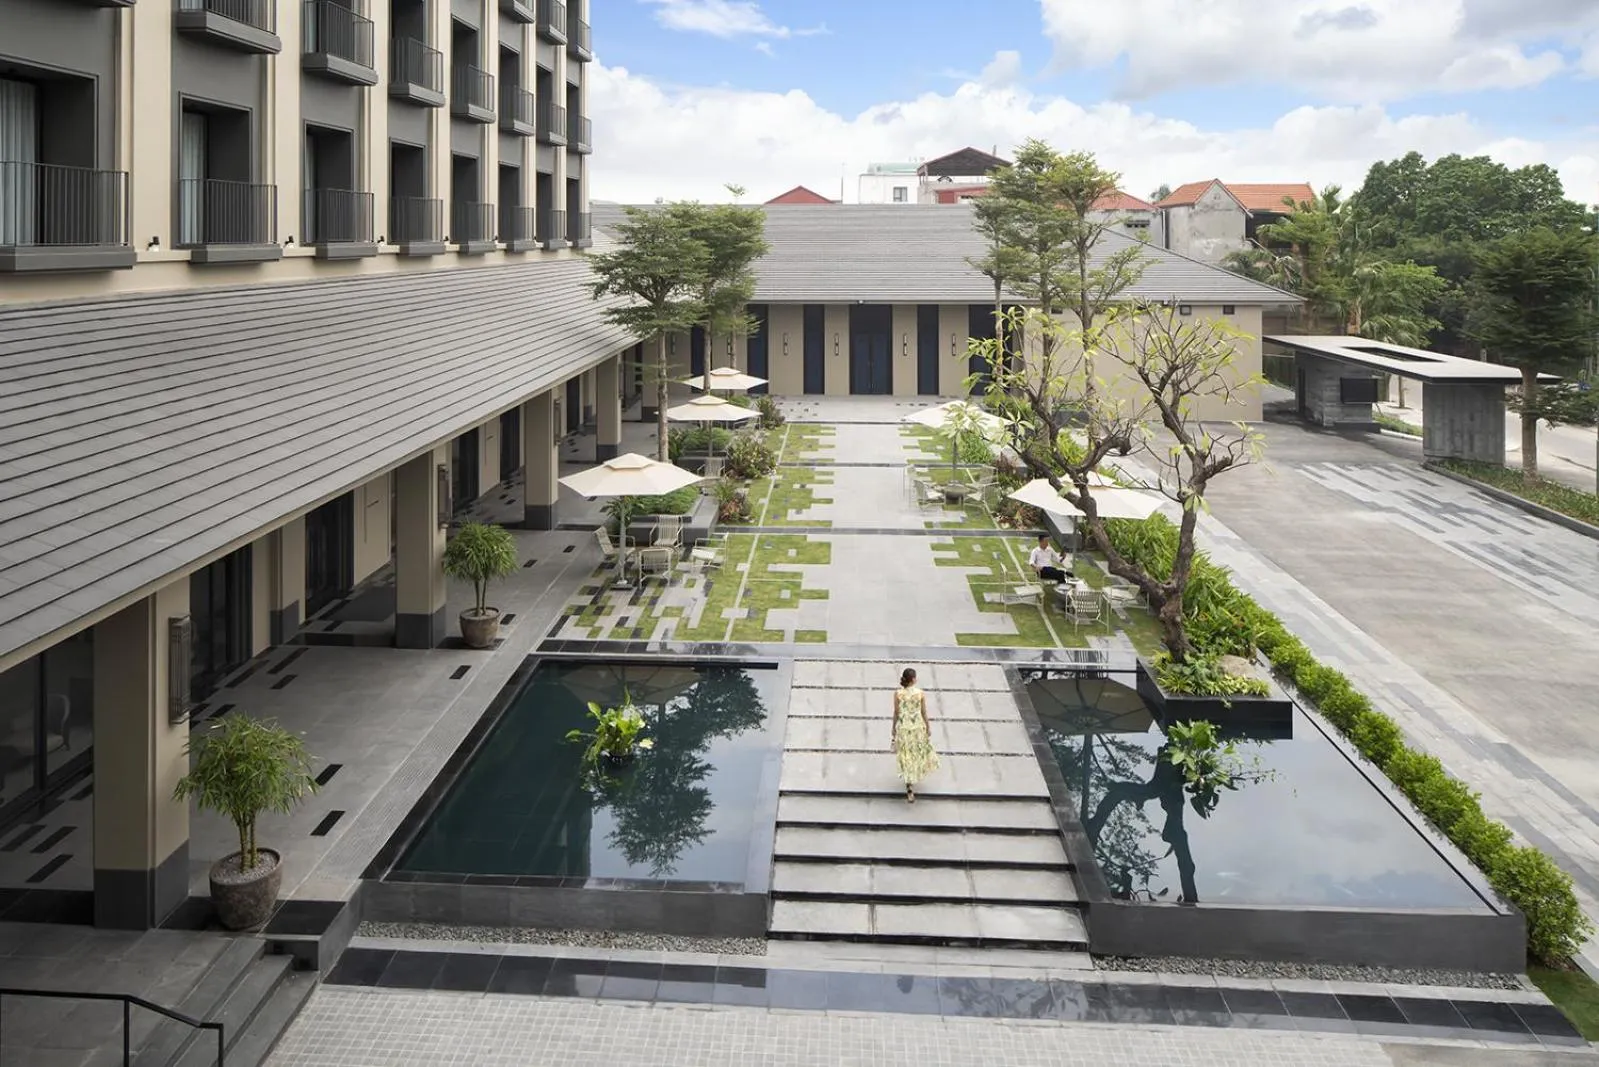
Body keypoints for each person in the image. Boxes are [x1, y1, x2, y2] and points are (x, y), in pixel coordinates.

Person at [891, 668, 939, 803]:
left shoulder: (898, 694)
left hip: (904, 728)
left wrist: (893, 728)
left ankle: (909, 785)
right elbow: (924, 712)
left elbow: (896, 712)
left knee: (906, 755)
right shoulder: (920, 693)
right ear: (913, 679)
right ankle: (913, 777)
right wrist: (928, 727)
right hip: (917, 727)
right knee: (916, 753)